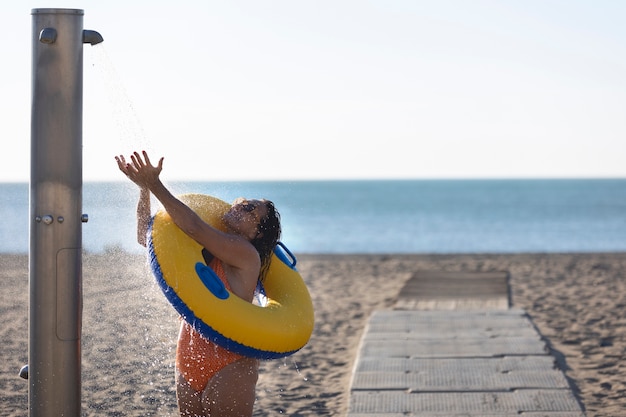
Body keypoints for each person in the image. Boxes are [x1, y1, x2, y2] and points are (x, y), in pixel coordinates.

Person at [115, 151, 281, 416]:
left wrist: (155, 184)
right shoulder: (209, 251)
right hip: (189, 358)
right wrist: (144, 188)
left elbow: (194, 227)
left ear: (257, 232)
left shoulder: (245, 253)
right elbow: (145, 238)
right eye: (241, 202)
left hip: (229, 362)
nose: (238, 206)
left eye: (249, 209)